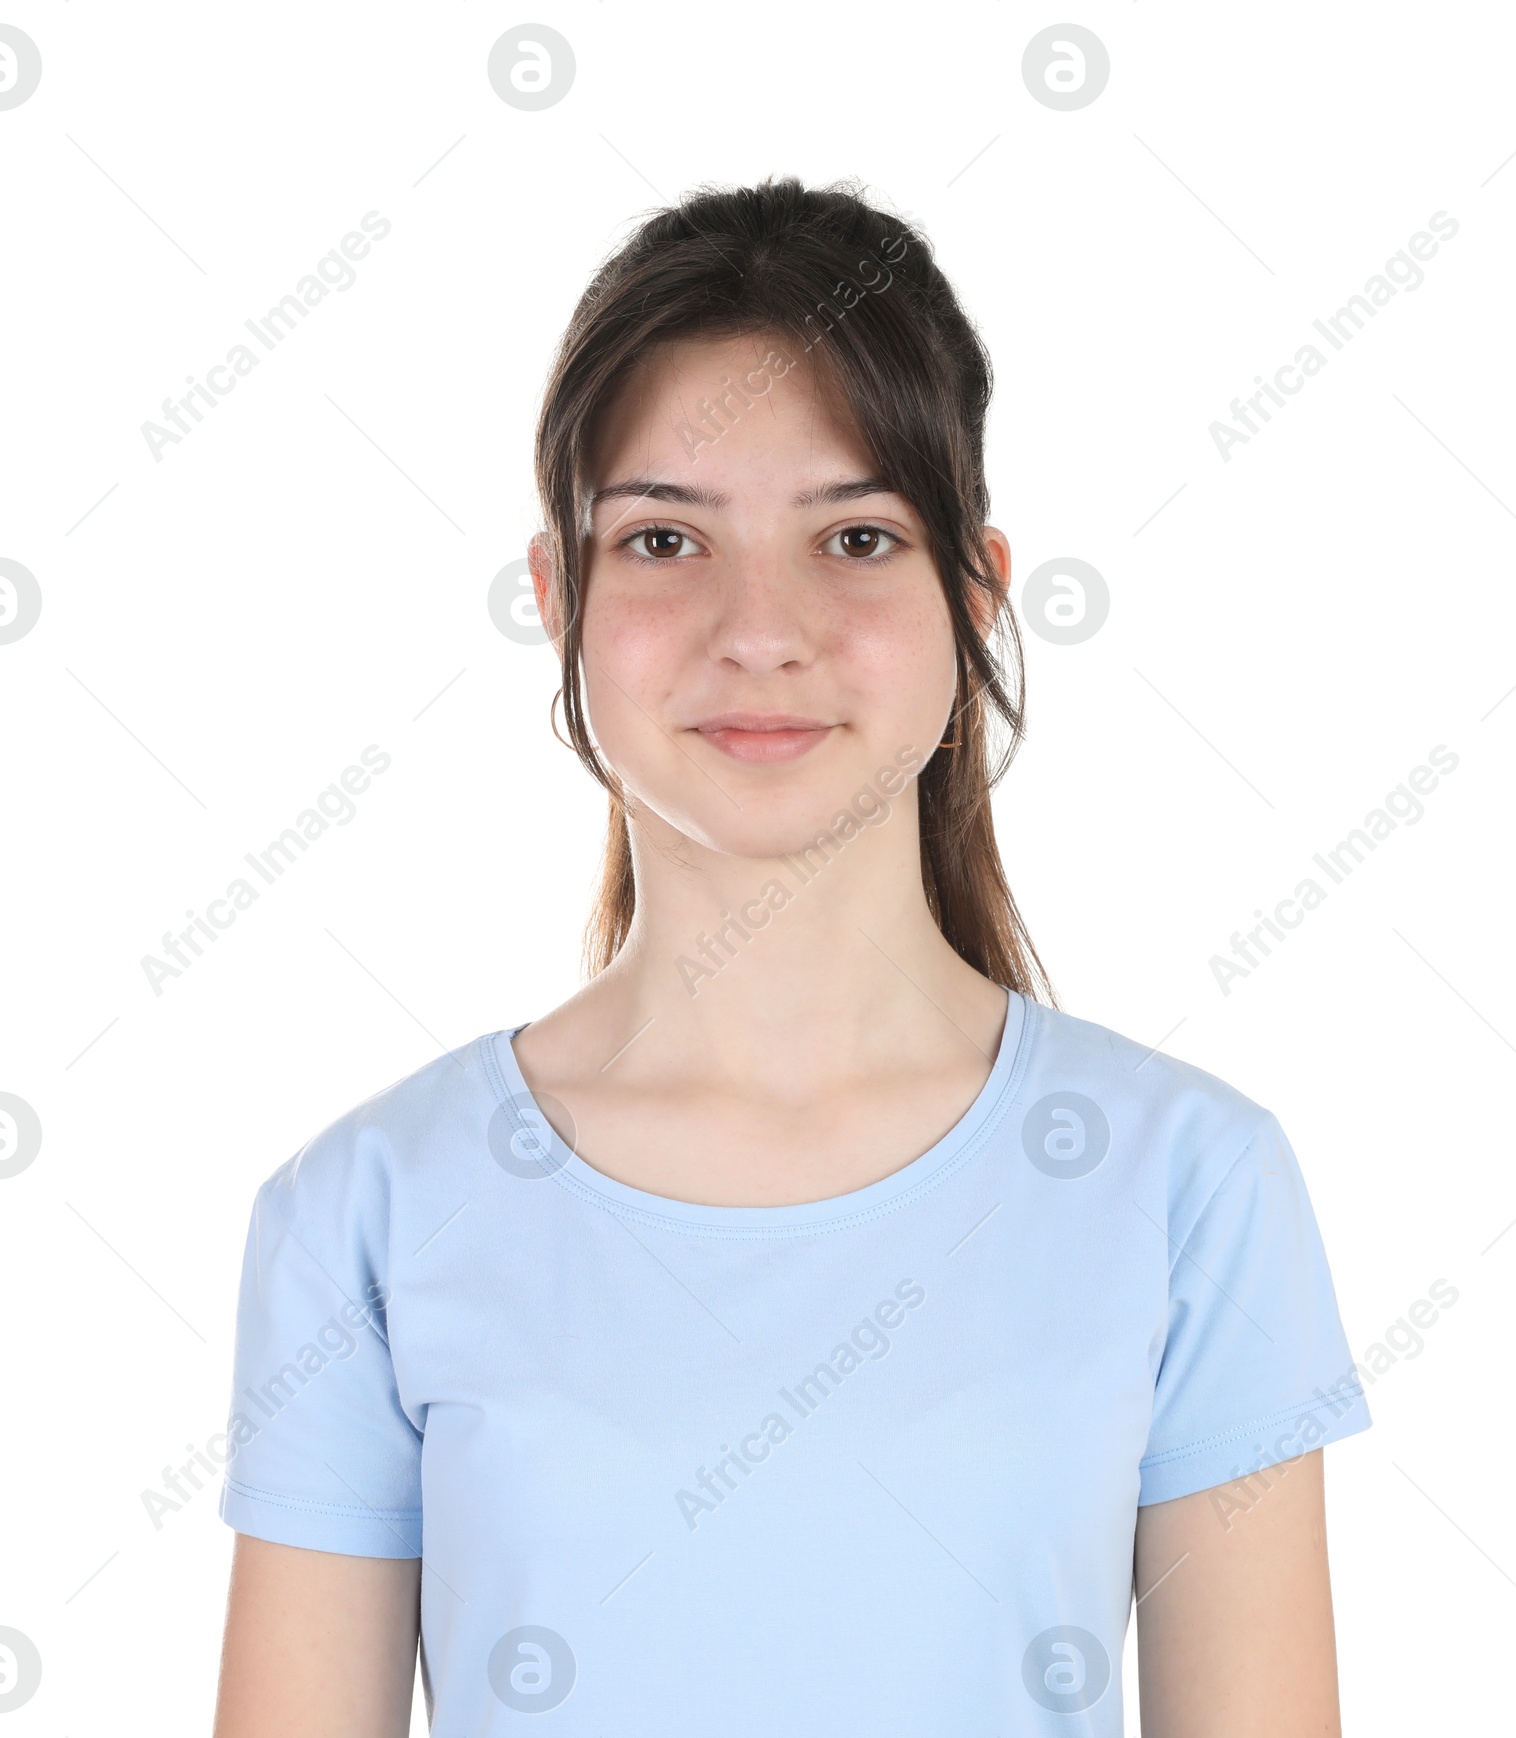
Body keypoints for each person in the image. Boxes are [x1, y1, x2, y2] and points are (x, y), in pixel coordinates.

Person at [212, 177, 1371, 1737]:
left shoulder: (1189, 1185)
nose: (761, 629)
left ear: (975, 596)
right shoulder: (362, 1214)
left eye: (856, 533)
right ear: (560, 595)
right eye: (667, 536)